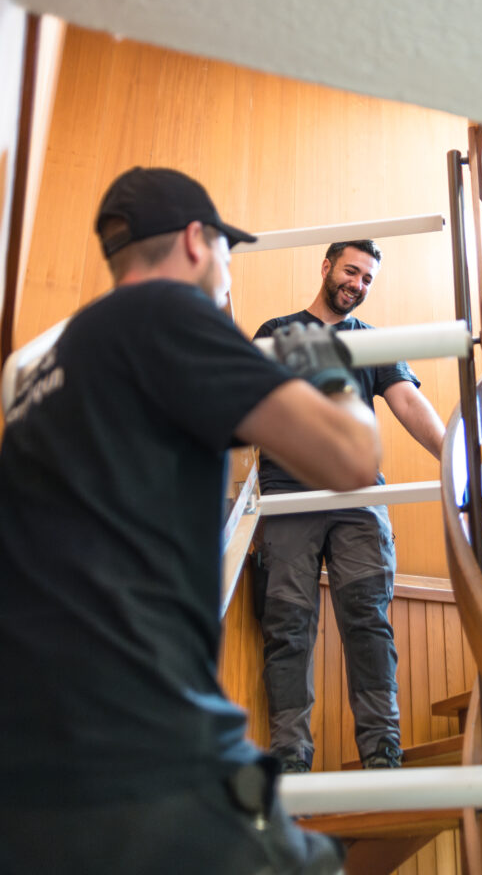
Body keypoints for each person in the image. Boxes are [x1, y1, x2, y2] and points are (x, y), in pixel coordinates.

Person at [0, 167, 384, 875]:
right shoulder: (170, 314)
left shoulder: (52, 360)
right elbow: (351, 457)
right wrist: (322, 363)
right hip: (134, 729)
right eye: (228, 252)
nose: (228, 270)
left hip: (27, 746)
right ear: (195, 241)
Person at [252, 240, 446, 773]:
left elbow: (406, 399)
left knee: (368, 621)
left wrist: (457, 457)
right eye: (351, 271)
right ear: (327, 267)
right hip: (289, 493)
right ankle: (290, 756)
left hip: (358, 497)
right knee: (288, 625)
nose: (357, 284)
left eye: (367, 280)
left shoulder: (371, 343)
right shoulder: (276, 334)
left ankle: (382, 752)